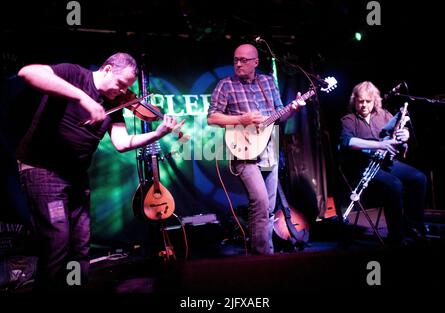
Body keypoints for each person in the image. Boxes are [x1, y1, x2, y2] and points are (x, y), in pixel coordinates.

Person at [15, 52, 184, 291]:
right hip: (43, 169)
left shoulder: (114, 103)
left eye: (127, 87)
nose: (123, 91)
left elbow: (122, 143)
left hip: (75, 175)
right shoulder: (74, 74)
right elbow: (28, 72)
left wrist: (158, 134)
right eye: (120, 84)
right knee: (56, 242)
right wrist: (83, 99)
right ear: (106, 70)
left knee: (80, 245)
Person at [207, 44, 303, 255]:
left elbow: (280, 115)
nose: (238, 64)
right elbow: (212, 117)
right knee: (259, 202)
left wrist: (293, 109)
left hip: (269, 149)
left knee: (268, 207)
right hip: (244, 152)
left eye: (243, 60)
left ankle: (264, 254)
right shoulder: (226, 85)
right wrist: (241, 119)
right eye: (235, 60)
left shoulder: (268, 82)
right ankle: (261, 259)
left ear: (256, 62)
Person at [339, 81, 427, 245]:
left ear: (374, 101)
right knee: (395, 185)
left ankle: (414, 227)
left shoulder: (384, 114)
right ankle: (396, 236)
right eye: (360, 101)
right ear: (355, 101)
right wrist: (379, 144)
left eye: (368, 101)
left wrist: (404, 135)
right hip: (363, 167)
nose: (364, 105)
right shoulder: (348, 120)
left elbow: (398, 136)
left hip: (387, 162)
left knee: (419, 178)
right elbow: (348, 142)